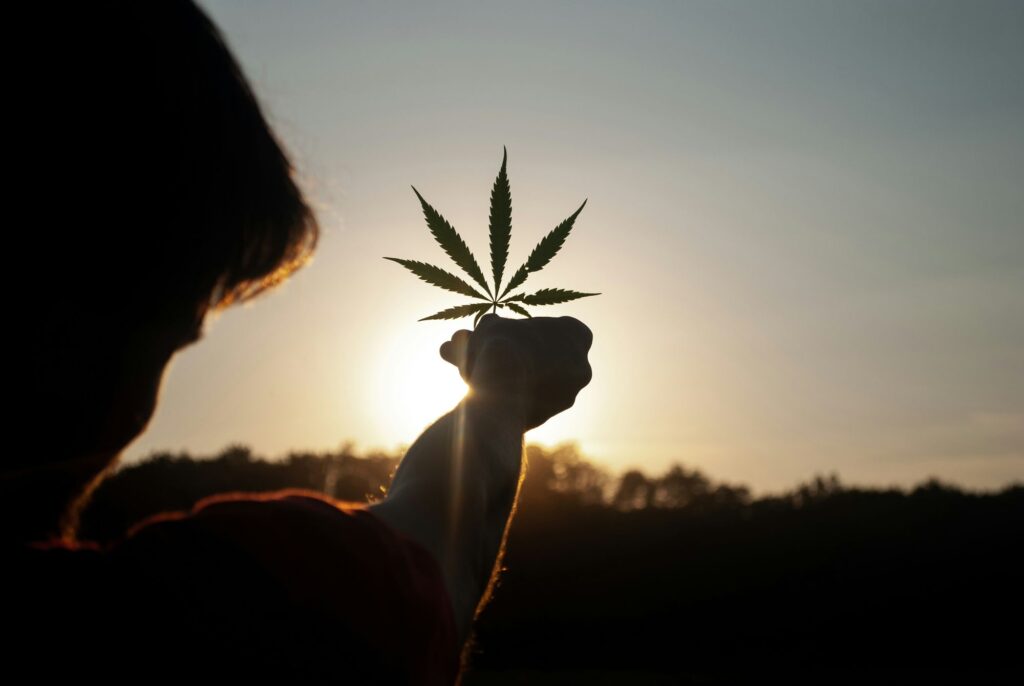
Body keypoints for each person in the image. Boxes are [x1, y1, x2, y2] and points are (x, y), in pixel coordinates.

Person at [6, 2, 593, 684]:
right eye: (169, 339)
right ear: (64, 332)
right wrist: (501, 395)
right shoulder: (207, 619)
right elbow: (441, 549)